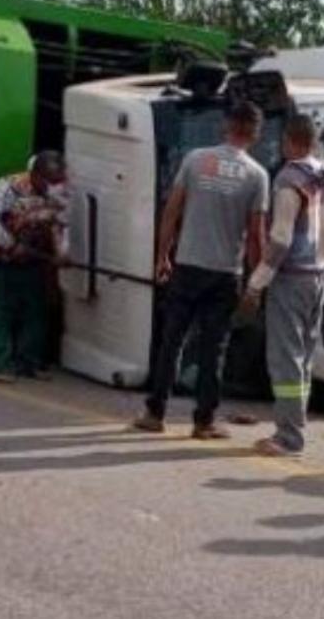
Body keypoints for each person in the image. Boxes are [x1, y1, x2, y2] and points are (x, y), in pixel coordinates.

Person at [132, 101, 269, 440]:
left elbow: (172, 211)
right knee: (213, 349)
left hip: (187, 266)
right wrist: (257, 283)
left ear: (226, 126)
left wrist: (163, 256)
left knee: (172, 341)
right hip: (225, 274)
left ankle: (154, 412)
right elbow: (256, 235)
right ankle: (203, 421)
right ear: (255, 134)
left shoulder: (196, 159)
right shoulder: (257, 175)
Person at [243, 114, 324, 458]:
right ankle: (294, 426)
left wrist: (256, 283)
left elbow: (281, 238)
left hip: (292, 278)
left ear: (288, 140)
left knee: (285, 358)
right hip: (320, 277)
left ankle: (289, 437)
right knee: (303, 357)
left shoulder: (289, 180)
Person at [0, 150, 69, 384]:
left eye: (57, 182)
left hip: (33, 258)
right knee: (1, 310)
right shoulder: (10, 186)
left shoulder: (59, 191)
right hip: (0, 256)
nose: (53, 188)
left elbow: (59, 224)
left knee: (35, 310)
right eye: (49, 182)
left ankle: (28, 362)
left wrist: (61, 254)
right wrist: (9, 244)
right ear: (35, 175)